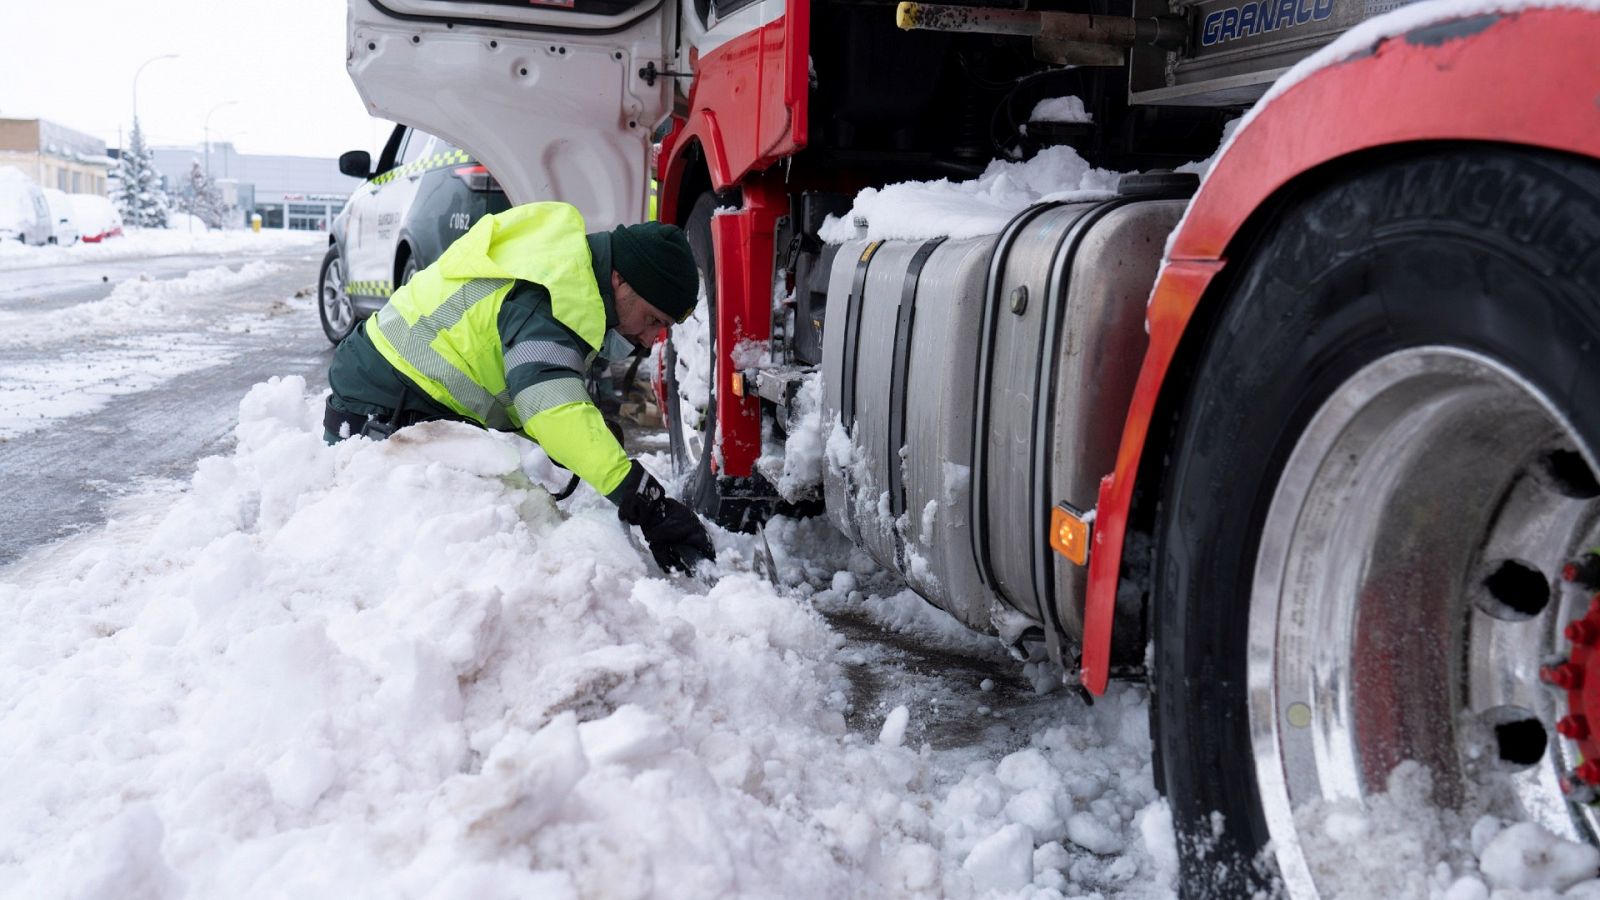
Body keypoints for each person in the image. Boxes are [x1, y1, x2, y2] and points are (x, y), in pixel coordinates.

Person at [323, 200, 713, 572]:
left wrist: (587, 439)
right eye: (652, 319)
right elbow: (550, 407)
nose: (649, 339)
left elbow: (524, 382)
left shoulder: (564, 273)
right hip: (382, 412)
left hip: (395, 394)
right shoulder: (552, 299)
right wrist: (646, 500)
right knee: (503, 539)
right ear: (620, 279)